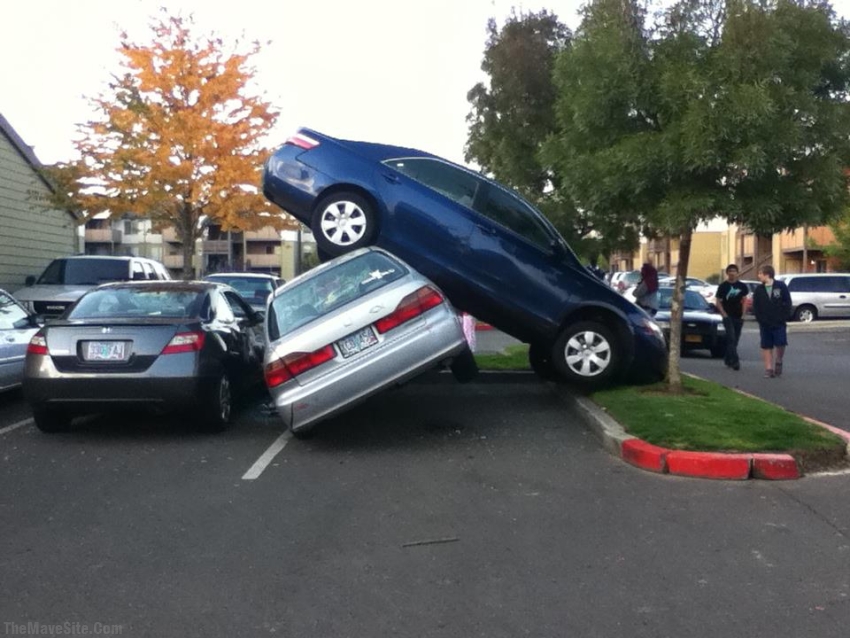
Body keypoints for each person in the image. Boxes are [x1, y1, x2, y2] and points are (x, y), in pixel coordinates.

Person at [752, 264, 792, 378]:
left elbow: (787, 302)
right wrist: (760, 319)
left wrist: (784, 316)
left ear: (767, 274)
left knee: (781, 343)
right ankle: (768, 369)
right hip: (765, 323)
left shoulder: (780, 286)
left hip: (779, 321)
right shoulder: (759, 289)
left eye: (760, 273)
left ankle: (779, 359)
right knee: (766, 345)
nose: (758, 276)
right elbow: (756, 306)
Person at [714, 264, 749, 370]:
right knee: (731, 338)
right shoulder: (723, 286)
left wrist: (743, 314)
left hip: (739, 316)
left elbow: (745, 301)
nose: (732, 273)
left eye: (734, 271)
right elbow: (718, 301)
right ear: (727, 273)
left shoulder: (742, 286)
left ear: (737, 273)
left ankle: (728, 359)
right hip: (727, 316)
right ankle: (735, 362)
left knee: (735, 340)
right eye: (730, 271)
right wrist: (723, 313)